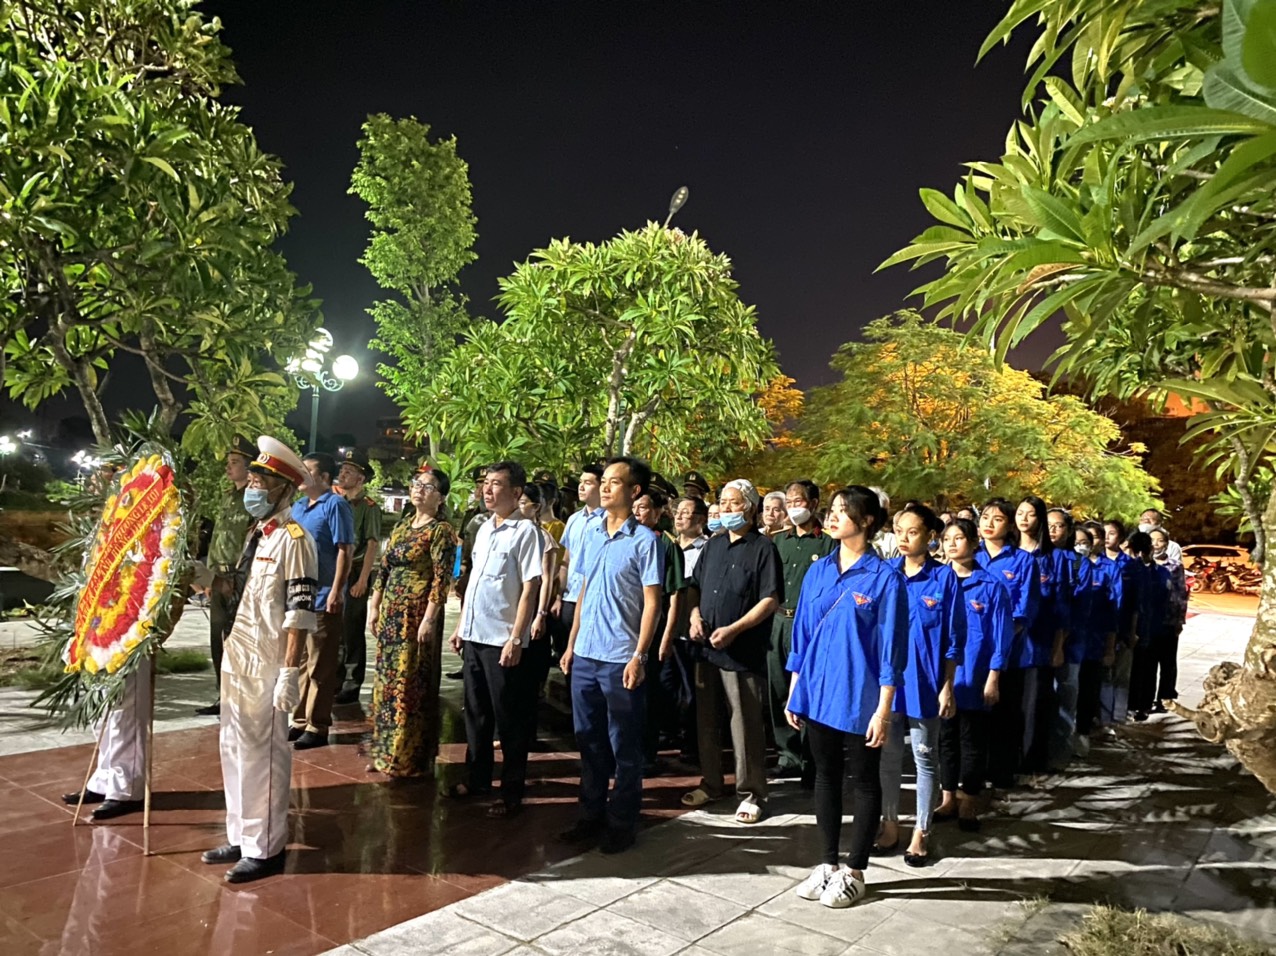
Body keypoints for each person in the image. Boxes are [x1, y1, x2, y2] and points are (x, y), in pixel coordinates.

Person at [785, 486, 908, 909]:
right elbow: (802, 633)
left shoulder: (885, 579)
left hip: (860, 695)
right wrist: (795, 688)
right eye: (832, 509)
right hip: (818, 690)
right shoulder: (818, 571)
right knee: (825, 775)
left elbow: (891, 649)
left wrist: (883, 709)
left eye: (844, 510)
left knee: (865, 780)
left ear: (867, 521)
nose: (833, 516)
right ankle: (827, 863)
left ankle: (855, 871)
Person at [202, 435, 317, 883]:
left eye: (260, 482)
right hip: (238, 656)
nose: (252, 488)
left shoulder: (295, 540)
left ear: (283, 489)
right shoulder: (258, 533)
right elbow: (243, 594)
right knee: (233, 749)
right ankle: (241, 834)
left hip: (268, 661)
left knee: (263, 755)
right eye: (251, 479)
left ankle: (265, 846)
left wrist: (290, 671)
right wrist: (203, 578)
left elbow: (299, 612)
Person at [559, 457, 663, 854]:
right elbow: (583, 591)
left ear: (634, 491)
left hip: (621, 658)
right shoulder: (591, 533)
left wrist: (640, 655)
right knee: (589, 741)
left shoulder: (645, 541)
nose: (604, 488)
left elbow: (653, 603)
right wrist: (571, 644)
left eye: (614, 482)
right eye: (602, 481)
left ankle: (622, 822)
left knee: (625, 746)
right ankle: (590, 815)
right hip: (586, 654)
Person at [681, 478, 781, 825]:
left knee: (744, 724)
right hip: (706, 649)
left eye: (733, 502)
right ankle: (711, 782)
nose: (725, 508)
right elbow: (694, 587)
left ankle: (752, 792)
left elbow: (769, 599)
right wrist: (694, 616)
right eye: (722, 502)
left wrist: (735, 629)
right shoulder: (714, 545)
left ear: (750, 509)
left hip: (742, 651)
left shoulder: (762, 548)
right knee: (707, 721)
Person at [450, 460, 543, 816]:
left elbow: (530, 587)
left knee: (509, 718)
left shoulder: (526, 532)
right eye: (486, 483)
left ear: (516, 492)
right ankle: (477, 778)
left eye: (496, 484)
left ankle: (511, 792)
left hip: (502, 639)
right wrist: (461, 626)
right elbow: (475, 582)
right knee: (475, 713)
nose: (487, 490)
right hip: (475, 635)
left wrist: (517, 638)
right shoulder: (484, 528)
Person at [878, 503, 962, 866]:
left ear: (930, 537)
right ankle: (890, 824)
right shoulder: (886, 574)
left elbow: (953, 639)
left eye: (912, 532)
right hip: (889, 685)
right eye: (899, 531)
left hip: (925, 684)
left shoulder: (944, 579)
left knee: (925, 757)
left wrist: (947, 686)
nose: (904, 538)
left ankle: (921, 831)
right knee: (888, 757)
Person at [366, 465, 456, 777]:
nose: (419, 489)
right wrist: (375, 605)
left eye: (428, 486)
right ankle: (385, 751)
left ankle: (408, 757)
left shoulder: (441, 531)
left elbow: (441, 580)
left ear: (440, 498)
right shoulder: (404, 525)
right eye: (417, 483)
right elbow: (385, 568)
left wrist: (429, 619)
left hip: (416, 614)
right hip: (392, 612)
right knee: (387, 682)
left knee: (410, 683)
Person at [933, 517, 1012, 831]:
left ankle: (968, 800)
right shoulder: (937, 580)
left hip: (975, 675)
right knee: (946, 739)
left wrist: (994, 676)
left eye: (959, 538)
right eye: (947, 539)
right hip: (944, 677)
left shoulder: (991, 585)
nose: (951, 544)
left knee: (972, 740)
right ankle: (947, 797)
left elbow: (1001, 636)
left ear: (975, 543)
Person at [768, 480, 835, 783]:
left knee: (808, 691)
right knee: (779, 689)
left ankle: (812, 759)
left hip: (809, 626)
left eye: (799, 501)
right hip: (779, 621)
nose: (794, 507)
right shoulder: (778, 541)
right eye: (790, 501)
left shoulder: (828, 543)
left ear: (814, 503)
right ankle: (788, 756)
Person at [289, 452, 355, 749]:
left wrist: (336, 590)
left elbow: (345, 549)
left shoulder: (335, 505)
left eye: (308, 471)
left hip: (322, 594)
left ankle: (317, 725)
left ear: (325, 477)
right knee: (300, 660)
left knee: (321, 663)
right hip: (298, 594)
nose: (302, 475)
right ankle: (299, 719)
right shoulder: (299, 506)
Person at [976, 499, 1040, 788]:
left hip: (1011, 652)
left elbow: (1025, 609)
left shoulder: (1023, 561)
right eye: (985, 517)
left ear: (1010, 525)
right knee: (974, 717)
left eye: (998, 519)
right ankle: (973, 775)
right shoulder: (970, 556)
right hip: (972, 652)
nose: (989, 523)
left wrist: (999, 639)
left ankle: (1002, 774)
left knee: (1006, 713)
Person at [195, 436, 255, 716]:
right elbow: (219, 537)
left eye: (235, 463)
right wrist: (210, 577)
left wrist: (239, 577)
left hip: (237, 578)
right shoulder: (228, 497)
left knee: (236, 639)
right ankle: (223, 695)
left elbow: (250, 542)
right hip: (218, 576)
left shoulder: (253, 500)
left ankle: (240, 696)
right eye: (228, 462)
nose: (228, 467)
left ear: (249, 467)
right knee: (217, 638)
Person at [632, 487, 687, 771]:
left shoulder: (666, 544)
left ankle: (647, 753)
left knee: (650, 691)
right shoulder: (626, 539)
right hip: (628, 624)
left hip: (655, 625)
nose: (637, 513)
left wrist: (667, 636)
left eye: (643, 508)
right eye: (634, 507)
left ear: (657, 512)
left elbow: (675, 594)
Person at [1015, 496, 1071, 774]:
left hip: (1038, 644)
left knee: (1033, 707)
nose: (1024, 519)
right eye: (1020, 513)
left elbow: (1062, 607)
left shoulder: (1055, 558)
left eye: (1031, 514)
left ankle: (1030, 764)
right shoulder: (1007, 554)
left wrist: (1058, 646)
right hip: (1006, 645)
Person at [61, 656, 154, 821]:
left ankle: (126, 788)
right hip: (94, 645)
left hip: (129, 645)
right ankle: (105, 781)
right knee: (100, 712)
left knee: (125, 714)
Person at [334, 449, 383, 705]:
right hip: (336, 570)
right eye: (342, 470)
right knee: (336, 628)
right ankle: (336, 679)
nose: (342, 474)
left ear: (361, 478)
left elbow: (372, 544)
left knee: (352, 628)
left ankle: (352, 683)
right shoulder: (337, 502)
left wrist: (363, 580)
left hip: (356, 570)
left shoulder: (368, 507)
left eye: (349, 471)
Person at [552, 464, 605, 666]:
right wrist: (559, 596)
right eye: (581, 482)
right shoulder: (574, 519)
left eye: (588, 483)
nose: (581, 487)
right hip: (569, 598)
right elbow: (566, 561)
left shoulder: (608, 520)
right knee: (565, 655)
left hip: (592, 600)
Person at [1128, 531, 1176, 721]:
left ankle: (1143, 706)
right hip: (1132, 627)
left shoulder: (1162, 573)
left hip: (1154, 628)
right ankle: (1131, 705)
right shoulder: (1129, 570)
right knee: (1133, 669)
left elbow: (1169, 600)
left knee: (1148, 668)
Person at [1148, 526, 1188, 710]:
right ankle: (1145, 700)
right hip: (1148, 622)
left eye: (1160, 540)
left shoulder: (1175, 566)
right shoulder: (1143, 565)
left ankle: (1165, 698)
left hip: (1168, 621)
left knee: (1168, 662)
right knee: (1148, 663)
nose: (1156, 544)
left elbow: (1181, 594)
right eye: (1152, 540)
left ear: (1167, 543)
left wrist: (1180, 620)